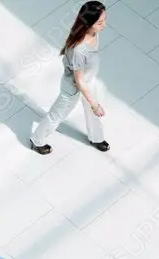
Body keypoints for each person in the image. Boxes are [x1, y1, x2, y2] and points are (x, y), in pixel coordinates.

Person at [30, 1, 109, 155]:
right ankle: (37, 140)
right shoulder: (79, 49)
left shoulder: (93, 32)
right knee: (56, 115)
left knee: (92, 111)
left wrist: (92, 103)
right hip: (73, 88)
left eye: (105, 20)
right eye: (100, 22)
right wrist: (95, 105)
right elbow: (79, 81)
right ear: (89, 22)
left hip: (88, 81)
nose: (104, 25)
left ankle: (96, 137)